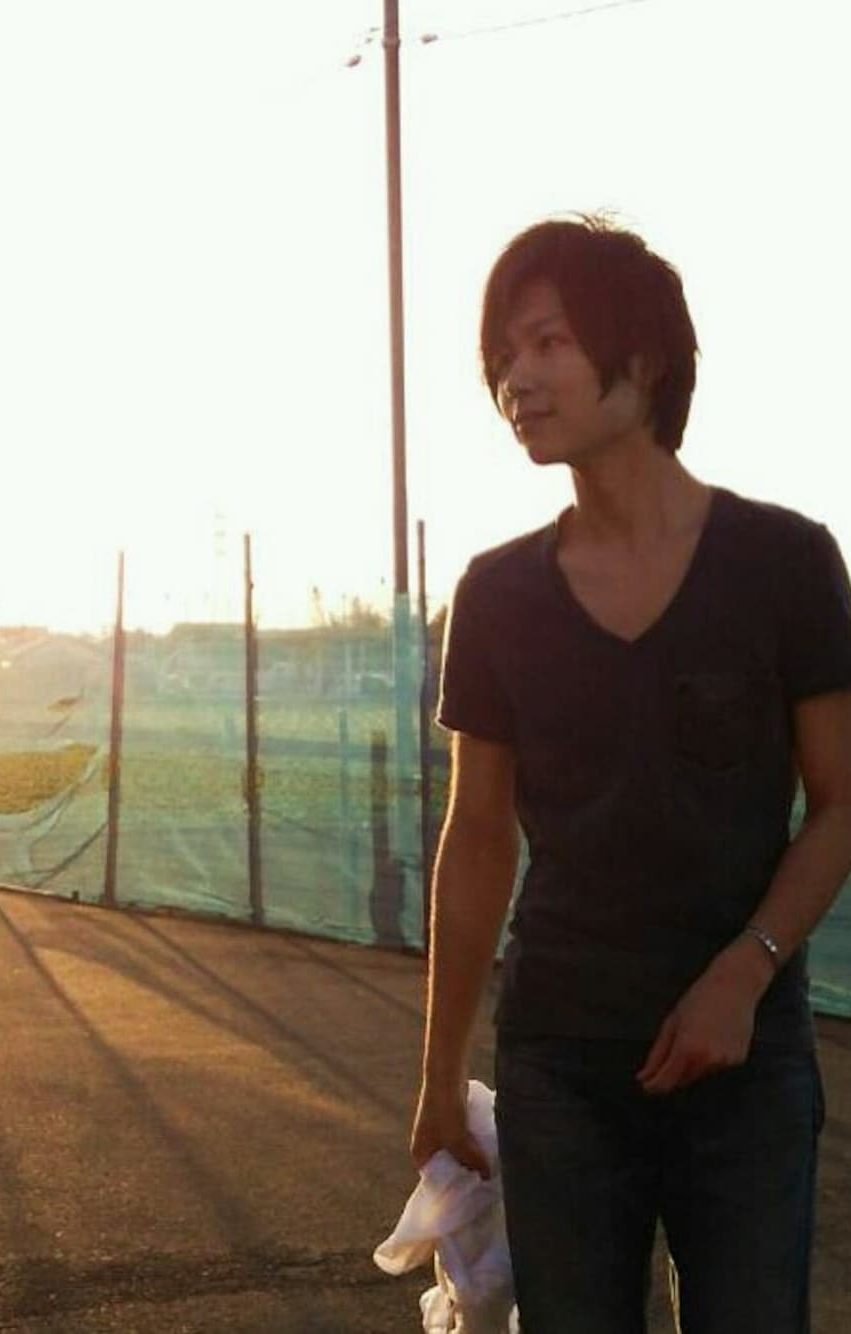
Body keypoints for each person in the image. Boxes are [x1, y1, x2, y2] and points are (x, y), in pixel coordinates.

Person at [410, 214, 851, 1334]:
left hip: (746, 1063)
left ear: (643, 361)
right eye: (502, 355)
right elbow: (477, 839)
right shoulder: (496, 595)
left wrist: (744, 972)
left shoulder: (786, 562)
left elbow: (841, 803)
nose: (516, 378)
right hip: (560, 1058)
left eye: (547, 342)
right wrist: (438, 1075)